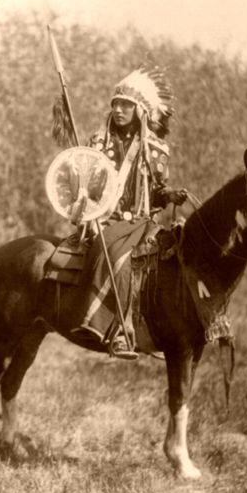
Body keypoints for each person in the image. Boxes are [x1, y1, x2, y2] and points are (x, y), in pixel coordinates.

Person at [74, 67, 187, 358]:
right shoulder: (96, 143)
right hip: (102, 219)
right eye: (115, 103)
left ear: (141, 111)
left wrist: (170, 195)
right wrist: (85, 200)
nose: (118, 109)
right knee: (113, 252)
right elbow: (81, 183)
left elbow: (157, 192)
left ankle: (167, 328)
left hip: (140, 220)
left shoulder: (156, 150)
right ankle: (118, 330)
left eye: (126, 104)